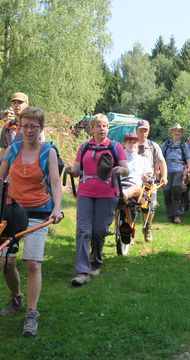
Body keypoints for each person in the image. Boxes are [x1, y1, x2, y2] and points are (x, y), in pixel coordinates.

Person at [0, 107, 63, 337]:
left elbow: (55, 182)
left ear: (41, 128)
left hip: (38, 212)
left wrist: (57, 208)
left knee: (33, 263)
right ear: (21, 127)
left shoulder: (49, 152)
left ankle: (31, 313)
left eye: (34, 125)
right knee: (6, 262)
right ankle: (16, 297)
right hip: (13, 212)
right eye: (26, 125)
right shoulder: (13, 149)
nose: (30, 130)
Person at [65, 113, 128, 286]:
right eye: (98, 125)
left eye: (105, 126)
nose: (102, 128)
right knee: (83, 231)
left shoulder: (116, 146)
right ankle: (82, 271)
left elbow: (126, 169)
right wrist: (71, 170)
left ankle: (96, 260)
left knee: (99, 231)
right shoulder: (84, 147)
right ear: (91, 129)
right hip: (86, 193)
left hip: (108, 194)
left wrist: (120, 170)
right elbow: (78, 171)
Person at [135, 119, 167, 242]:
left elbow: (162, 162)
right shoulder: (130, 144)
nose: (143, 133)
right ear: (136, 130)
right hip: (133, 181)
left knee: (150, 207)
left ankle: (147, 228)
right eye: (141, 130)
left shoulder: (153, 146)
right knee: (129, 206)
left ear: (148, 131)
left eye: (146, 130)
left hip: (149, 182)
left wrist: (164, 176)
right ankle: (129, 232)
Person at [161, 123, 190, 224]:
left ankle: (177, 215)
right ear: (172, 132)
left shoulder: (184, 145)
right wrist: (158, 169)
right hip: (167, 170)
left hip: (179, 169)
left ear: (181, 133)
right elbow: (160, 158)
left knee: (176, 189)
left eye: (179, 131)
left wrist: (188, 169)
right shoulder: (165, 144)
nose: (177, 132)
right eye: (175, 131)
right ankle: (170, 214)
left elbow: (188, 159)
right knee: (166, 192)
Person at [0, 92, 29, 170]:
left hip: (27, 170)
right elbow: (3, 150)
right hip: (8, 171)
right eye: (14, 102)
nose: (17, 105)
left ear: (27, 104)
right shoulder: (8, 126)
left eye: (20, 102)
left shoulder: (34, 126)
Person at [120, 132, 152, 201]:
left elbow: (150, 177)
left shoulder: (143, 160)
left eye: (134, 142)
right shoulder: (120, 159)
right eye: (130, 142)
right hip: (120, 185)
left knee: (136, 188)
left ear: (137, 145)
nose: (132, 144)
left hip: (135, 187)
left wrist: (146, 179)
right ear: (124, 144)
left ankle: (123, 195)